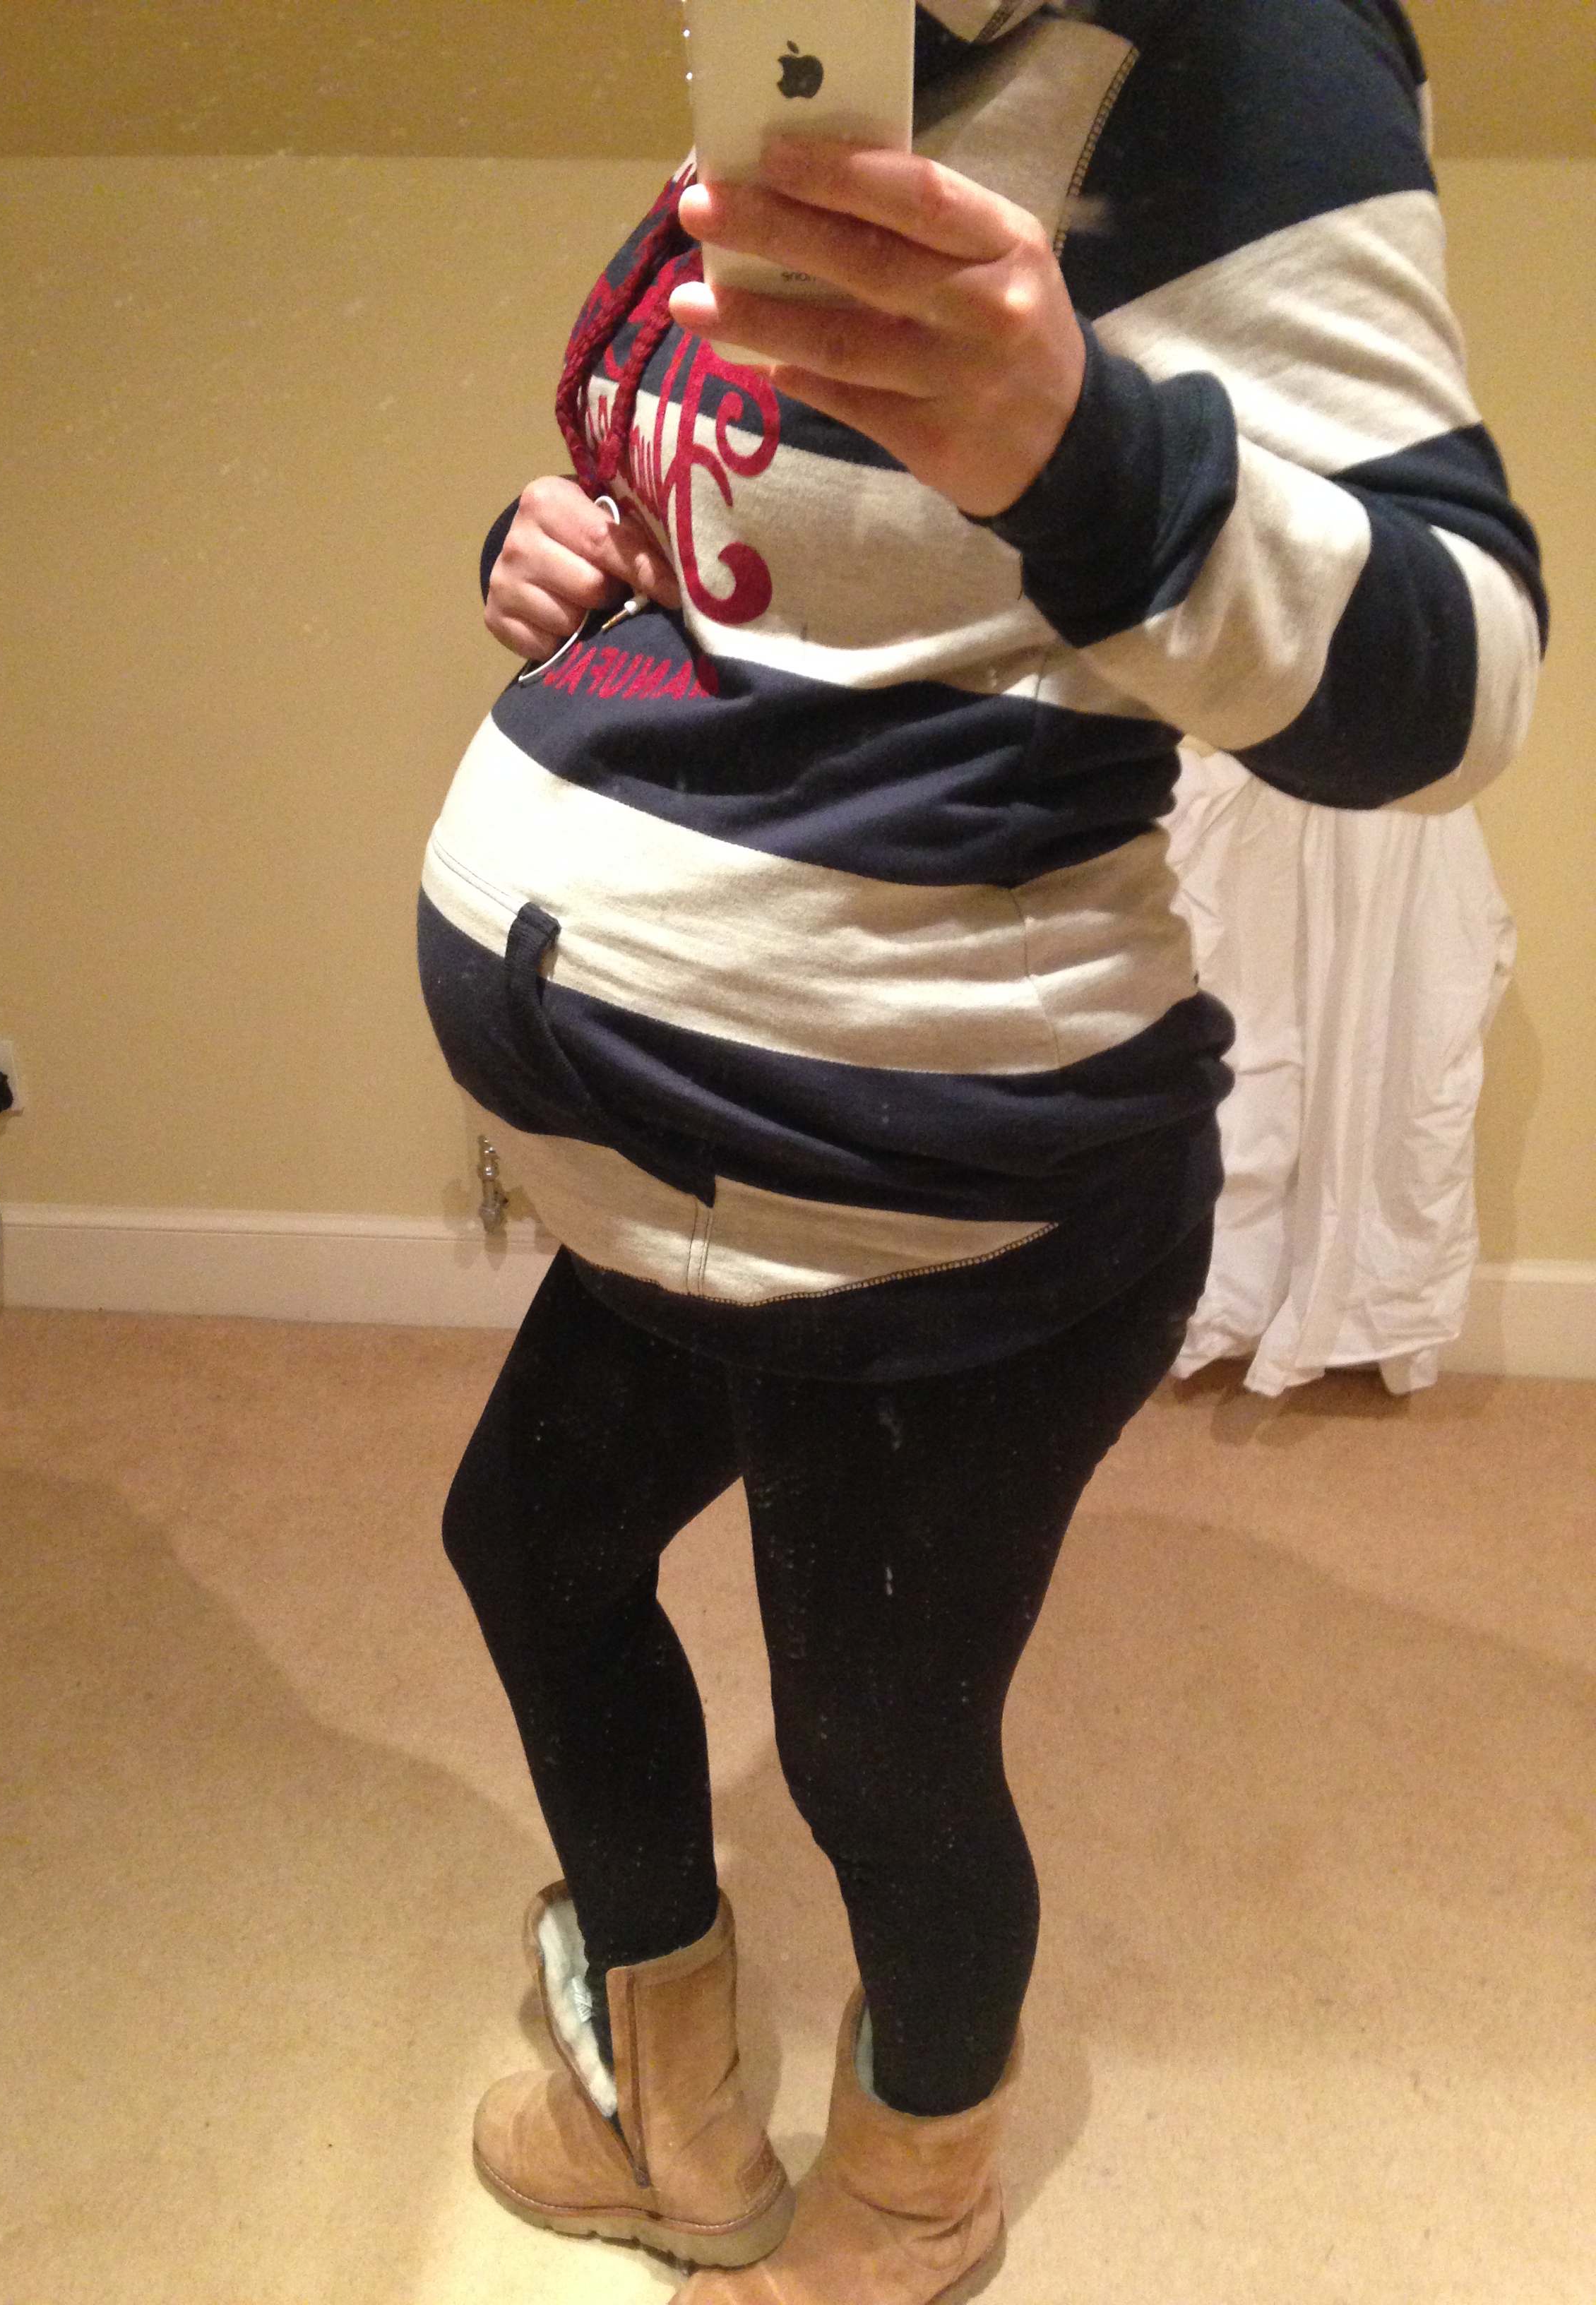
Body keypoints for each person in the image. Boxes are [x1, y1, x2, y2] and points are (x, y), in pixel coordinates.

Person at [417, 4, 1544, 2299]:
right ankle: (672, 2116)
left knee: (878, 1751)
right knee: (529, 1549)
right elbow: (815, 556)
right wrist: (580, 547)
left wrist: (1087, 447)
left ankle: (914, 2196)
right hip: (680, 1169)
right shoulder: (825, 42)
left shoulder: (1242, 45)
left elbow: (1462, 675)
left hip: (937, 1207)